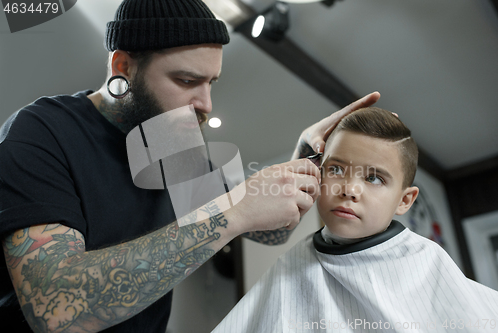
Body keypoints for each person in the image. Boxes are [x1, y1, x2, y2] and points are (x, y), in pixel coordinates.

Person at [0, 0, 381, 331]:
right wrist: (233, 212)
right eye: (186, 80)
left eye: (211, 82)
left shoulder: (173, 149)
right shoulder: (42, 130)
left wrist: (300, 159)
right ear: (123, 67)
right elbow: (54, 310)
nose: (206, 103)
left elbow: (271, 228)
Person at [212, 107, 498, 333]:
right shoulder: (291, 266)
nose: (349, 189)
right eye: (336, 169)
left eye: (374, 178)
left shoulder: (429, 264)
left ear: (404, 200)